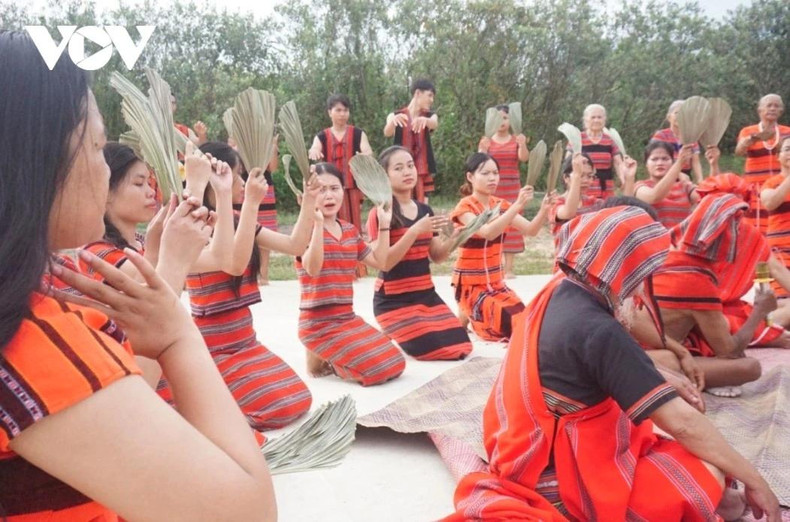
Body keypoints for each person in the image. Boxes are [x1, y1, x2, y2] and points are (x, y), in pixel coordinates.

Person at [0, 30, 275, 520]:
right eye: (97, 147)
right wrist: (175, 334)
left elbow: (232, 258)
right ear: (37, 159)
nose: (104, 169)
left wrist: (242, 200)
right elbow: (249, 514)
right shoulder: (80, 278)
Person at [445, 206, 780, 522]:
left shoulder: (559, 289)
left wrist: (659, 371)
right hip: (558, 475)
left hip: (518, 446)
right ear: (626, 268)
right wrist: (754, 479)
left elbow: (601, 355)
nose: (642, 288)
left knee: (673, 440)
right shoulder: (598, 329)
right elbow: (684, 423)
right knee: (711, 470)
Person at [160, 140, 315, 430]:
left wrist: (308, 201)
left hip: (245, 340)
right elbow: (232, 263)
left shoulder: (236, 217)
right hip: (213, 346)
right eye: (237, 174)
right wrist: (252, 204)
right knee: (274, 409)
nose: (243, 182)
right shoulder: (193, 224)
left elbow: (294, 245)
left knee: (298, 398)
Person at [650, 194, 776, 395]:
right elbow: (729, 352)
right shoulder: (695, 279)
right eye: (736, 227)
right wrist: (759, 311)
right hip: (649, 358)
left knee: (720, 326)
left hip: (652, 347)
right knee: (749, 367)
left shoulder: (667, 255)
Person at [297, 163, 406, 385]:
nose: (329, 195)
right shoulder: (305, 229)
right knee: (376, 372)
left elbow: (380, 262)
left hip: (347, 318)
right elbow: (312, 268)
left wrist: (384, 226)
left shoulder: (348, 230)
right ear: (309, 194)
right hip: (317, 324)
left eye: (334, 188)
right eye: (321, 189)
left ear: (343, 192)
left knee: (396, 362)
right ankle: (318, 351)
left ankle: (327, 353)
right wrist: (317, 225)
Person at [367, 146, 473, 360]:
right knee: (433, 349)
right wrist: (414, 230)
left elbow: (437, 255)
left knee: (460, 345)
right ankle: (390, 327)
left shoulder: (424, 210)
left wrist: (457, 237)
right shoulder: (380, 213)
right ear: (385, 177)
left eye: (410, 166)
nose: (407, 172)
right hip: (393, 300)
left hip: (425, 295)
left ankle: (399, 330)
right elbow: (383, 262)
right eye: (398, 168)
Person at [451, 152, 552, 341]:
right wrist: (517, 205)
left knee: (525, 320)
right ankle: (467, 311)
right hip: (471, 284)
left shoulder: (500, 205)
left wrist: (544, 209)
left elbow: (530, 230)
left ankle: (465, 317)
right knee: (510, 325)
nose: (492, 178)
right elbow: (488, 232)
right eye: (485, 173)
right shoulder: (464, 208)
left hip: (496, 284)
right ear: (470, 177)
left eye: (495, 173)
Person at [478, 104, 530, 278]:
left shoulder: (516, 139)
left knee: (513, 224)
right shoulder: (487, 140)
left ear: (511, 120)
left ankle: (509, 268)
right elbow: (480, 162)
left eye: (505, 118)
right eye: (498, 118)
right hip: (492, 188)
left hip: (512, 188)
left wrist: (522, 145)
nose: (502, 122)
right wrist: (482, 149)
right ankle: (495, 266)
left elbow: (524, 158)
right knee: (494, 223)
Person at [308, 94, 373, 231]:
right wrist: (314, 151)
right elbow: (314, 148)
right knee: (329, 221)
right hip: (328, 188)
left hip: (353, 186)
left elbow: (368, 152)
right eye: (338, 110)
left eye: (345, 110)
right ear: (329, 112)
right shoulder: (322, 136)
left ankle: (355, 248)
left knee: (354, 223)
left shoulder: (358, 134)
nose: (342, 114)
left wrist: (364, 156)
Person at [736, 94, 790, 235]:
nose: (772, 108)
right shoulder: (748, 132)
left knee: (779, 221)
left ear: (781, 110)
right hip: (755, 188)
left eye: (776, 106)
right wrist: (748, 141)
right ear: (760, 110)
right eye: (769, 105)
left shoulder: (787, 132)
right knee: (754, 227)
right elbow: (739, 152)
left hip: (781, 186)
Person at [232, 136, 280, 284]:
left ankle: (264, 274)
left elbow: (273, 167)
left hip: (264, 186)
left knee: (266, 228)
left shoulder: (266, 144)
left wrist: (272, 145)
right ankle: (245, 273)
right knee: (242, 228)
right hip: (242, 187)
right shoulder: (237, 142)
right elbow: (237, 167)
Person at [383, 79, 438, 203]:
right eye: (429, 95)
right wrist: (392, 122)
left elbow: (434, 123)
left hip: (422, 167)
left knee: (423, 203)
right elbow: (387, 132)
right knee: (400, 201)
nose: (431, 100)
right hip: (400, 166)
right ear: (417, 93)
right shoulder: (396, 115)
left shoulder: (429, 115)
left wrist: (426, 121)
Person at [635, 140, 700, 228]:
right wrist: (679, 163)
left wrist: (713, 164)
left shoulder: (684, 185)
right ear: (646, 164)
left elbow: (707, 196)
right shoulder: (640, 187)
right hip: (655, 240)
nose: (660, 163)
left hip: (681, 240)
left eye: (665, 159)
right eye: (654, 159)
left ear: (672, 162)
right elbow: (654, 197)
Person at [569, 104, 625, 199]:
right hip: (583, 186)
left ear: (604, 119)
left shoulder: (610, 140)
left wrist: (623, 179)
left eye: (599, 117)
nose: (596, 120)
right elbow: (568, 163)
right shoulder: (577, 139)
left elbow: (618, 162)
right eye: (593, 117)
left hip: (606, 188)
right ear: (586, 119)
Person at [652, 99, 704, 183]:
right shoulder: (661, 136)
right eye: (676, 113)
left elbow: (695, 161)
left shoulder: (691, 137)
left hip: (686, 176)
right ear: (669, 117)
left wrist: (700, 179)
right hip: (664, 175)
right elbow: (655, 160)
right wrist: (677, 174)